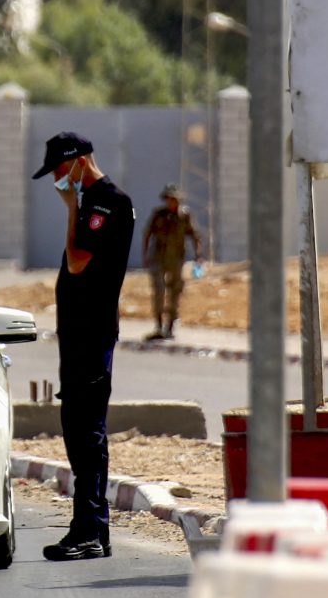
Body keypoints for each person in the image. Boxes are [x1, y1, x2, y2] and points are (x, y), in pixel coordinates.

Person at [30, 131, 135, 561]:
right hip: (78, 334)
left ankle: (89, 529)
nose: (57, 177)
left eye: (59, 168)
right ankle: (93, 528)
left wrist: (72, 208)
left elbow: (78, 261)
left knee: (86, 431)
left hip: (92, 334)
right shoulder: (93, 201)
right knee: (78, 428)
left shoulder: (103, 201)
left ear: (78, 162)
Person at [141, 184, 203, 341]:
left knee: (175, 292)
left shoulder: (185, 215)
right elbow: (148, 234)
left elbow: (195, 236)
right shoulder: (159, 214)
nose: (170, 202)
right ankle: (158, 325)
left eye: (173, 199)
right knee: (159, 292)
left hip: (176, 259)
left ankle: (170, 326)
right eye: (168, 199)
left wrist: (198, 256)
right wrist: (145, 255)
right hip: (158, 258)